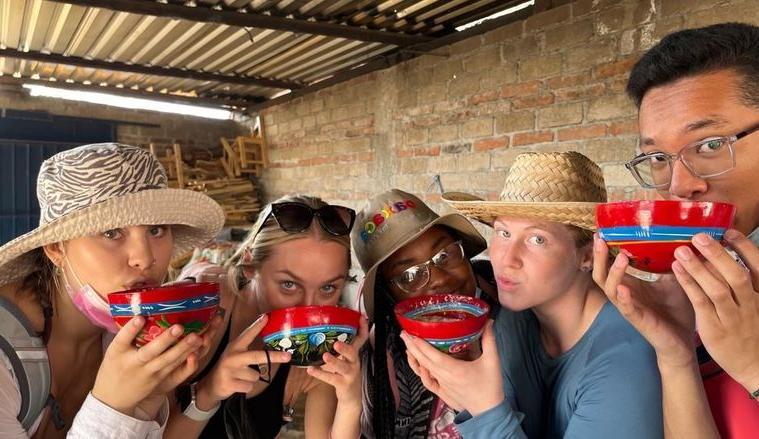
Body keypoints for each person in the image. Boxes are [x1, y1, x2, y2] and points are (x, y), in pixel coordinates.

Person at [593, 22, 759, 438]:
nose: (679, 185)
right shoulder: (715, 275)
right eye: (657, 157)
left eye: (710, 145)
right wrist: (675, 350)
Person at [402, 152, 663, 438]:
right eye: (503, 233)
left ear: (588, 256)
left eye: (537, 239)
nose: (506, 259)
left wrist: (485, 409)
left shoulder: (624, 365)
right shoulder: (512, 321)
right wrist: (465, 397)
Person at [0, 143, 225, 438]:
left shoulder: (129, 334)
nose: (145, 259)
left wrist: (148, 401)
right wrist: (112, 408)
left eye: (156, 230)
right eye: (111, 232)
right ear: (56, 247)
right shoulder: (6, 355)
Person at [163, 195, 368, 439]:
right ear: (250, 264)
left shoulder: (319, 343)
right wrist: (208, 392)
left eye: (327, 288)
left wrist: (350, 401)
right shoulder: (197, 315)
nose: (308, 308)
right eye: (289, 284)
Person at [351, 189, 497, 439]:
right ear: (388, 296)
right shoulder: (381, 364)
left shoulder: (515, 319)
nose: (439, 279)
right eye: (410, 275)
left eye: (445, 255)